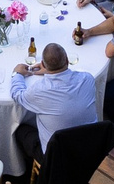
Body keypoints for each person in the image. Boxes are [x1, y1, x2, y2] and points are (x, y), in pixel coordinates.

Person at [9, 41, 99, 175]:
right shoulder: (88, 79)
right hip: (89, 146)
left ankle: (24, 170)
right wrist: (51, 70)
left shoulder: (39, 91)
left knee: (19, 129)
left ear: (44, 65)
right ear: (67, 60)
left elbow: (17, 95)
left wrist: (17, 74)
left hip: (57, 157)